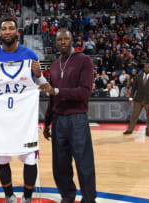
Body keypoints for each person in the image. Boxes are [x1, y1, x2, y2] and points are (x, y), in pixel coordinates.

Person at [0, 17, 47, 203]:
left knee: (30, 160)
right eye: (4, 29)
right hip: (0, 121)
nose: (8, 31)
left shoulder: (30, 56)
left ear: (17, 32)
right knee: (2, 159)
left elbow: (41, 85)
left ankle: (27, 197)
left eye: (11, 28)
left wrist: (39, 75)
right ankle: (9, 195)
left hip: (24, 120)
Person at [40, 28, 96, 203]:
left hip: (77, 117)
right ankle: (67, 196)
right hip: (58, 119)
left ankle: (88, 199)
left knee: (83, 163)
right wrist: (47, 122)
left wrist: (56, 90)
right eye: (59, 40)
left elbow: (84, 92)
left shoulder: (84, 60)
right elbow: (52, 97)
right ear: (55, 43)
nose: (62, 42)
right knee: (60, 164)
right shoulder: (55, 65)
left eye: (65, 39)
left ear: (72, 41)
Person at [123, 63, 149, 137]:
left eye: (148, 67)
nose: (146, 68)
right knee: (134, 116)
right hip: (138, 100)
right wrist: (131, 97)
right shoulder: (137, 77)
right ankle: (130, 129)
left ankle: (148, 131)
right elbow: (133, 88)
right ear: (143, 68)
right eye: (145, 67)